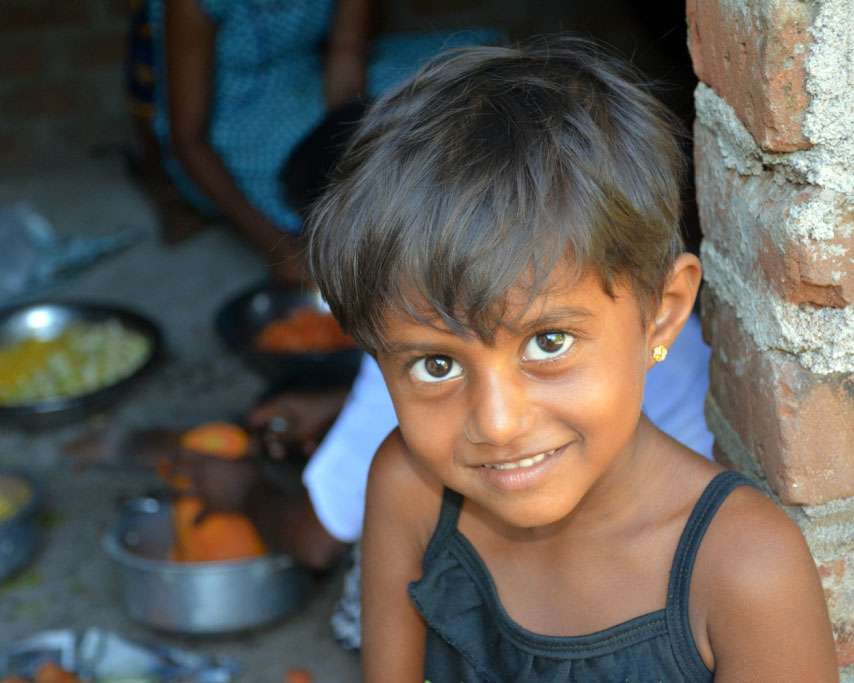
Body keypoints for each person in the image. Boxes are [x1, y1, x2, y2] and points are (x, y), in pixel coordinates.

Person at [305, 37, 839, 681]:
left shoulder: (745, 570)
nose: (498, 424)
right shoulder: (410, 489)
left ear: (662, 313)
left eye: (548, 342)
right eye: (437, 365)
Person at [145, 0, 501, 280]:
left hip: (314, 83)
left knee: (476, 68)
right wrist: (280, 249)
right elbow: (188, 140)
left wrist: (348, 147)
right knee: (334, 205)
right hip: (232, 127)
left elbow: (345, 59)